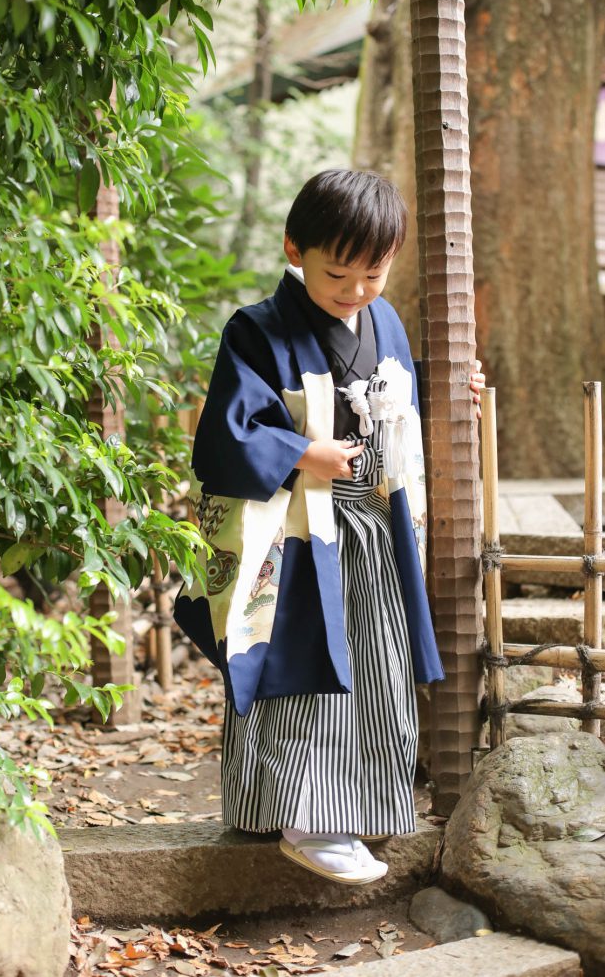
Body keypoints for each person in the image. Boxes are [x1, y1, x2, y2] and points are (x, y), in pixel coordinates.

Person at [174, 168, 485, 886]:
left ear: (392, 259)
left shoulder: (385, 321)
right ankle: (308, 820)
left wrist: (448, 389)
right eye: (335, 273)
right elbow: (225, 434)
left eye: (371, 275)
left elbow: (397, 401)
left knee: (374, 672)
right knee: (302, 675)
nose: (353, 292)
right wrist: (297, 453)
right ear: (294, 250)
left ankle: (346, 806)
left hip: (374, 531)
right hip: (297, 536)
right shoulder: (255, 329)